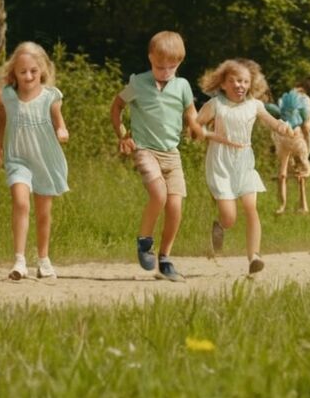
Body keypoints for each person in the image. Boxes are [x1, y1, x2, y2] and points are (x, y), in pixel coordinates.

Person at [110, 31, 203, 282]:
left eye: (170, 67)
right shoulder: (138, 83)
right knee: (158, 195)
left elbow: (191, 114)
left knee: (175, 207)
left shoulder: (182, 86)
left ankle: (165, 259)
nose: (164, 71)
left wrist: (196, 128)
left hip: (172, 154)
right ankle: (144, 241)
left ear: (179, 63)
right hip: (145, 150)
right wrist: (122, 135)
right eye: (159, 66)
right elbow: (117, 106)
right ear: (150, 58)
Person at [198, 59, 291, 275]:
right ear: (223, 84)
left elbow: (272, 122)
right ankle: (220, 226)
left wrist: (283, 127)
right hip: (220, 164)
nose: (240, 85)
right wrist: (207, 133)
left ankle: (254, 257)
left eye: (244, 81)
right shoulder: (215, 105)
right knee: (230, 217)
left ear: (251, 84)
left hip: (245, 162)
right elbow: (195, 125)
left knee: (251, 207)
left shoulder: (255, 105)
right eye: (234, 81)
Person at [0, 42, 70, 282]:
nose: (28, 76)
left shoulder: (50, 97)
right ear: (14, 73)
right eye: (22, 71)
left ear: (42, 71)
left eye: (33, 71)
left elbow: (59, 122)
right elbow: (0, 117)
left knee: (44, 212)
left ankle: (44, 260)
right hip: (17, 157)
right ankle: (19, 260)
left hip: (44, 159)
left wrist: (62, 131)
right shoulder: (7, 96)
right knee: (20, 202)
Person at [272, 76, 310, 215]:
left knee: (283, 171)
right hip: (297, 136)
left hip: (280, 134)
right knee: (303, 170)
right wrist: (308, 144)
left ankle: (282, 206)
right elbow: (306, 126)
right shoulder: (306, 100)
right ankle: (302, 205)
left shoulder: (286, 97)